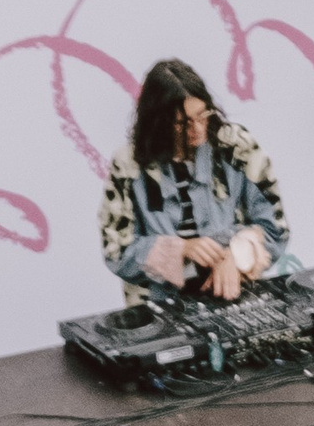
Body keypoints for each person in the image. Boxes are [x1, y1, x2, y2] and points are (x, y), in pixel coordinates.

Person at [98, 58, 287, 291]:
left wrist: (235, 256)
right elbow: (116, 251)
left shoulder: (237, 148)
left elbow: (274, 227)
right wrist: (180, 250)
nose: (197, 129)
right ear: (158, 124)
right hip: (163, 305)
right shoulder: (129, 165)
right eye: (182, 124)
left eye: (202, 115)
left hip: (235, 291)